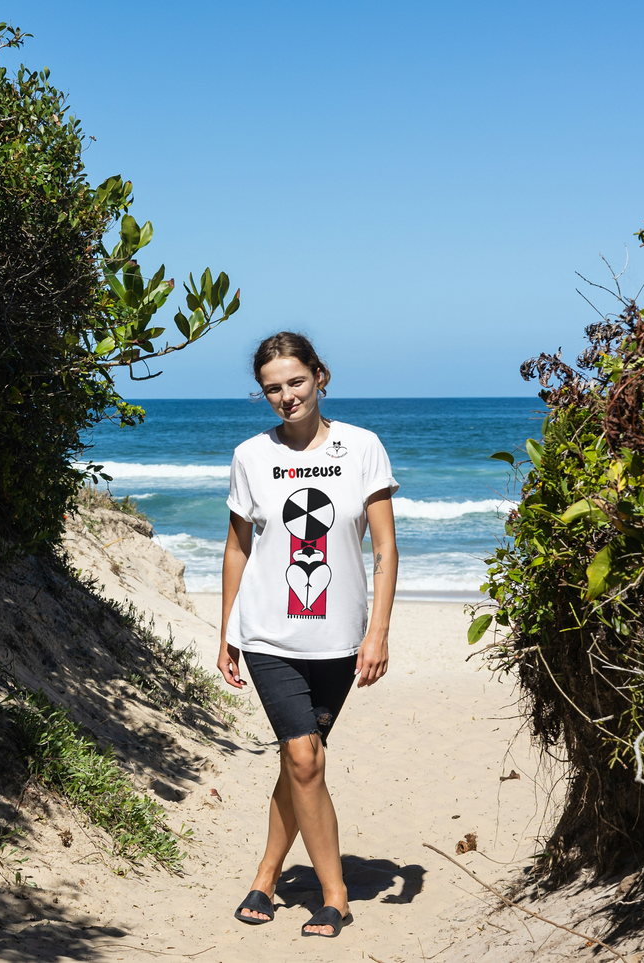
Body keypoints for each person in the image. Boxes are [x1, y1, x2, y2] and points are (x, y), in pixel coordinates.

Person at [218, 331, 398, 939]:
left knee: (301, 767)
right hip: (269, 632)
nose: (287, 396)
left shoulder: (362, 447)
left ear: (320, 377)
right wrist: (227, 631)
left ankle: (266, 876)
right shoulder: (250, 456)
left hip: (340, 640)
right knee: (303, 755)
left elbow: (385, 549)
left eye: (296, 382)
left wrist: (378, 633)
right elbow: (238, 547)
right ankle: (335, 894)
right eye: (273, 388)